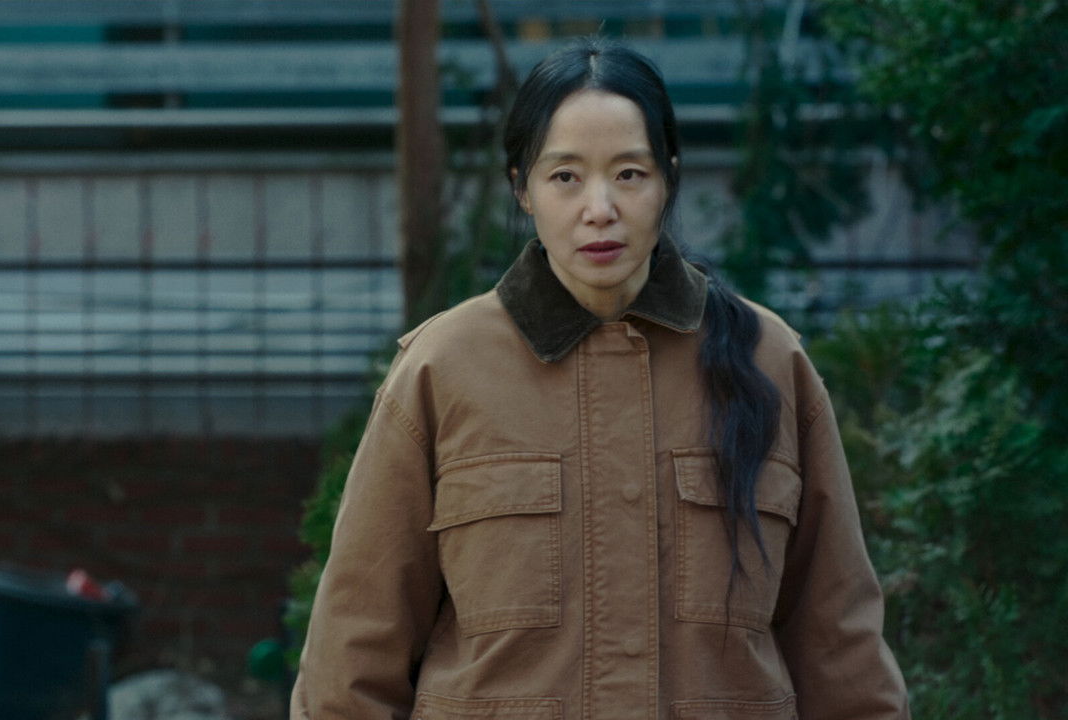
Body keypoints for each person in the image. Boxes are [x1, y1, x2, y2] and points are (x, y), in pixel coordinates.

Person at [291, 37, 910, 719]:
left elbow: (840, 646)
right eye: (565, 176)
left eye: (629, 174)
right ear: (522, 188)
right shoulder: (444, 369)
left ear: (668, 179)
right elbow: (353, 658)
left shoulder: (770, 361)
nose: (600, 208)